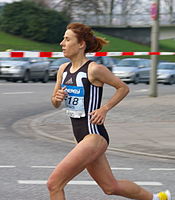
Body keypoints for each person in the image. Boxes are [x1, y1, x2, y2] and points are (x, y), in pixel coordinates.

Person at [48, 22, 171, 200]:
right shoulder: (63, 70)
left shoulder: (95, 69)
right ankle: (157, 198)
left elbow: (122, 88)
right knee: (110, 187)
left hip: (94, 136)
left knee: (54, 184)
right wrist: (57, 98)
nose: (62, 43)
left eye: (67, 39)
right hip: (79, 137)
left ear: (81, 44)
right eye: (63, 39)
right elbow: (54, 102)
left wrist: (104, 109)